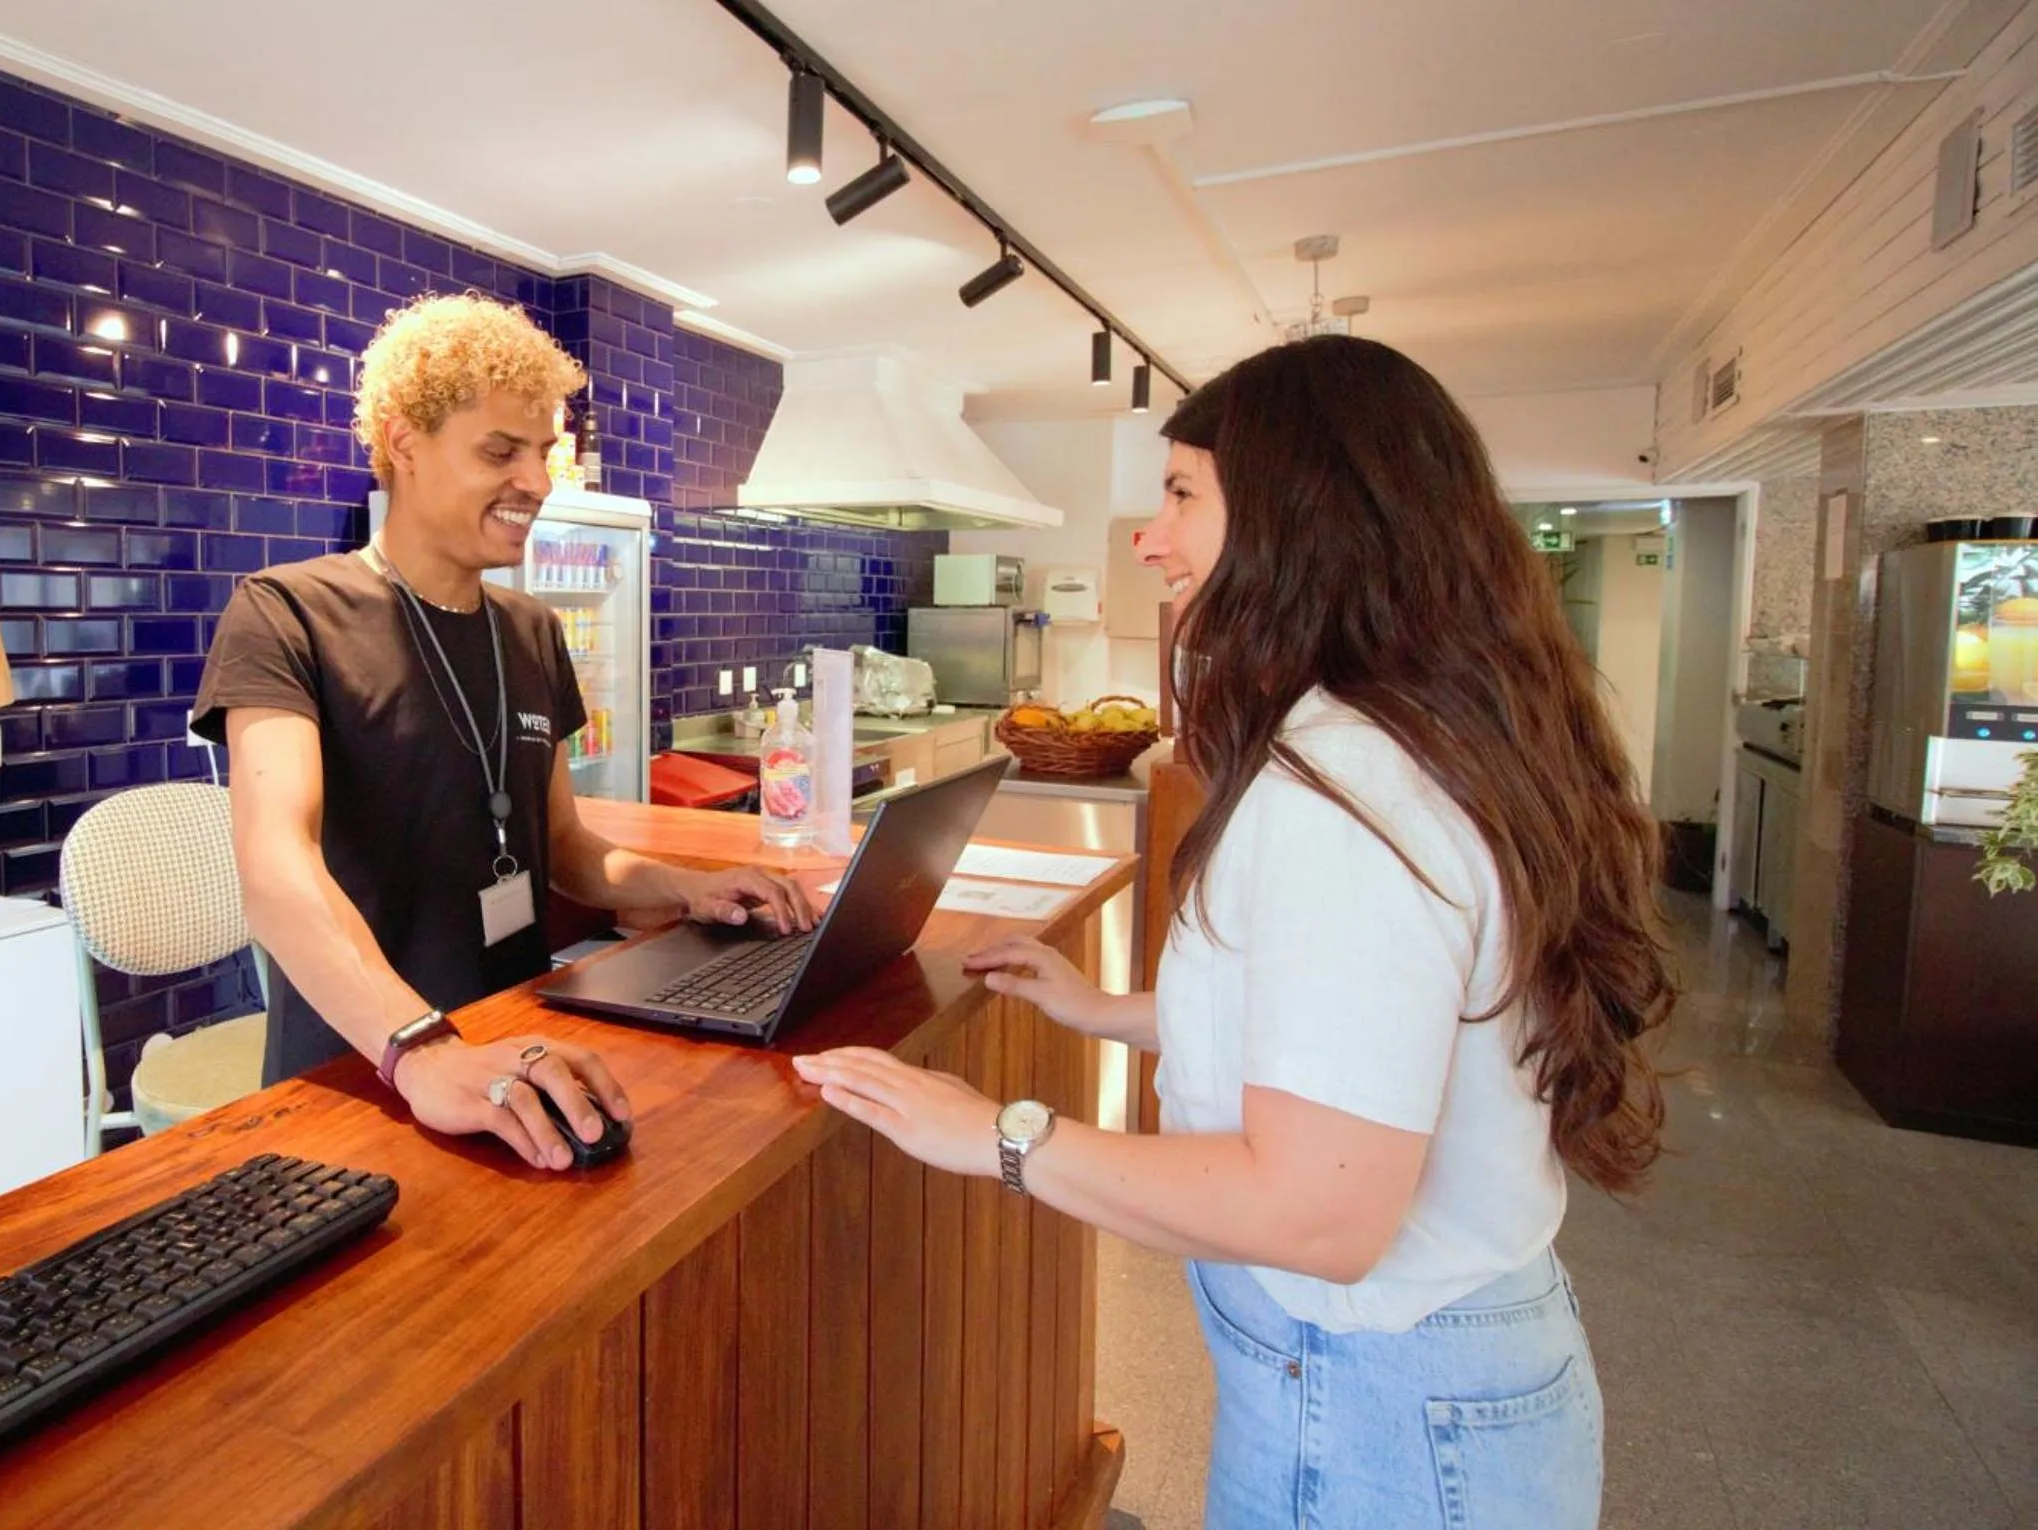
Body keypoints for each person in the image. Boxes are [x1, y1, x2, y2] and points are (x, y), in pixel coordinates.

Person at [794, 335, 1674, 1526]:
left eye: (1181, 494)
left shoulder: (1351, 786)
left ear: (1302, 515)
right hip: (1425, 1383)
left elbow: (1317, 1209)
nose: (1151, 537)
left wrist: (996, 1136)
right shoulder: (1420, 734)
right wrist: (1108, 1010)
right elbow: (1369, 1027)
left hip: (1379, 1409)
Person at [193, 292, 810, 1172]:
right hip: (370, 1064)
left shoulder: (529, 631)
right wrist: (420, 1048)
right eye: (501, 451)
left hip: (519, 1050)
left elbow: (561, 844)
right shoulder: (287, 612)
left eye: (543, 452)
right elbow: (275, 867)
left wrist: (685, 887)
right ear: (403, 442)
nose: (536, 481)